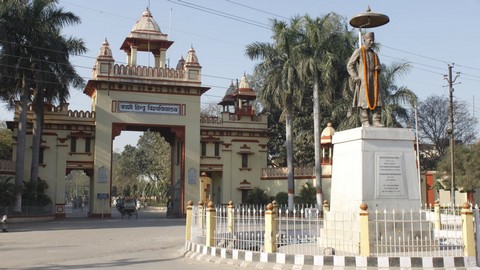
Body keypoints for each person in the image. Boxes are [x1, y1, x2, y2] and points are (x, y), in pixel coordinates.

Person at [347, 32, 384, 127]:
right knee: (363, 101)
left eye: (373, 40)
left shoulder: (375, 54)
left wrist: (378, 68)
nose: (371, 42)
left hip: (374, 80)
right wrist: (355, 76)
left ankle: (376, 120)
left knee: (377, 100)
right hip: (363, 80)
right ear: (364, 40)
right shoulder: (359, 51)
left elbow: (379, 66)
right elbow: (350, 65)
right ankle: (365, 121)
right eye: (370, 40)